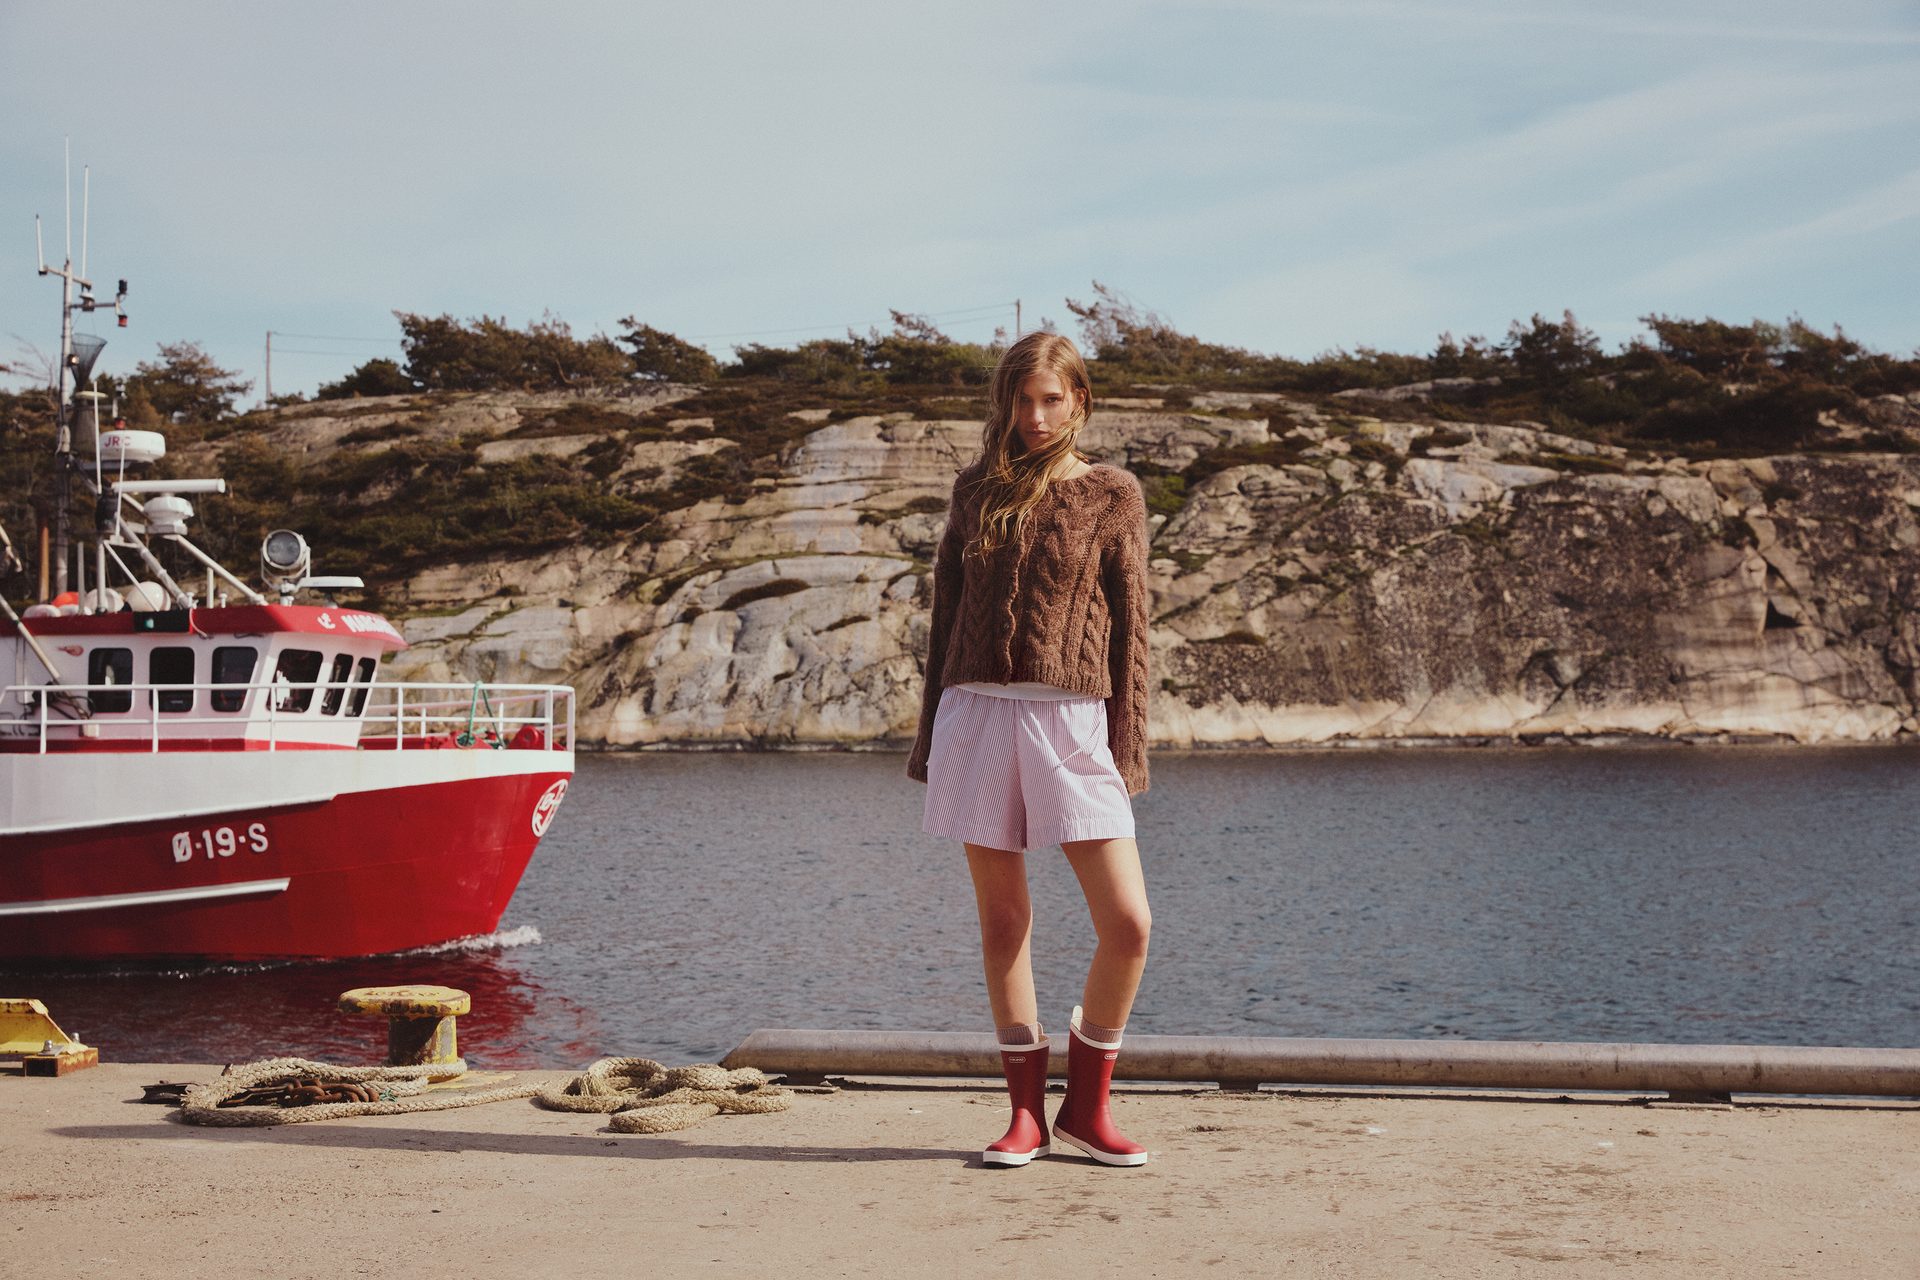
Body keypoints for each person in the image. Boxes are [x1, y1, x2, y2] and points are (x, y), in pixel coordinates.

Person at [907, 331, 1153, 1168]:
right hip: (976, 715)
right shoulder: (975, 488)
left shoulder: (1113, 494)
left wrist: (1129, 746)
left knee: (1128, 923)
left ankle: (1088, 1108)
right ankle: (1024, 1115)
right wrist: (926, 738)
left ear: (1080, 402)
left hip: (1073, 720)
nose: (1037, 416)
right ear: (1005, 404)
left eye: (1053, 399)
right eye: (1023, 400)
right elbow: (947, 621)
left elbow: (1131, 631)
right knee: (1005, 918)